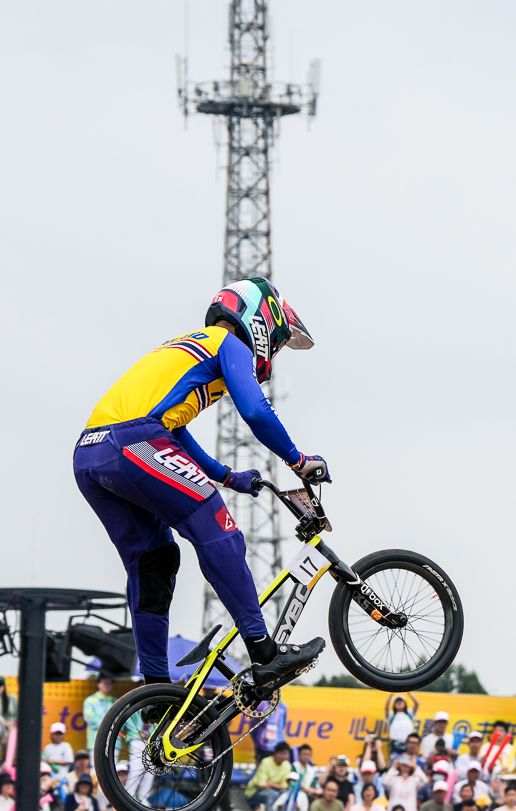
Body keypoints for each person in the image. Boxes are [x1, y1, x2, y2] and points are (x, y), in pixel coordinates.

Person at [73, 277, 327, 691]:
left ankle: (154, 691)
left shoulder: (191, 346)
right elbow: (257, 412)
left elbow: (171, 432)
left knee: (154, 561)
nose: (272, 355)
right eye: (277, 344)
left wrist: (227, 476)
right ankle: (264, 653)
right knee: (217, 529)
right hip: (132, 441)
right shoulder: (230, 346)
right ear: (261, 320)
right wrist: (298, 460)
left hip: (91, 452)